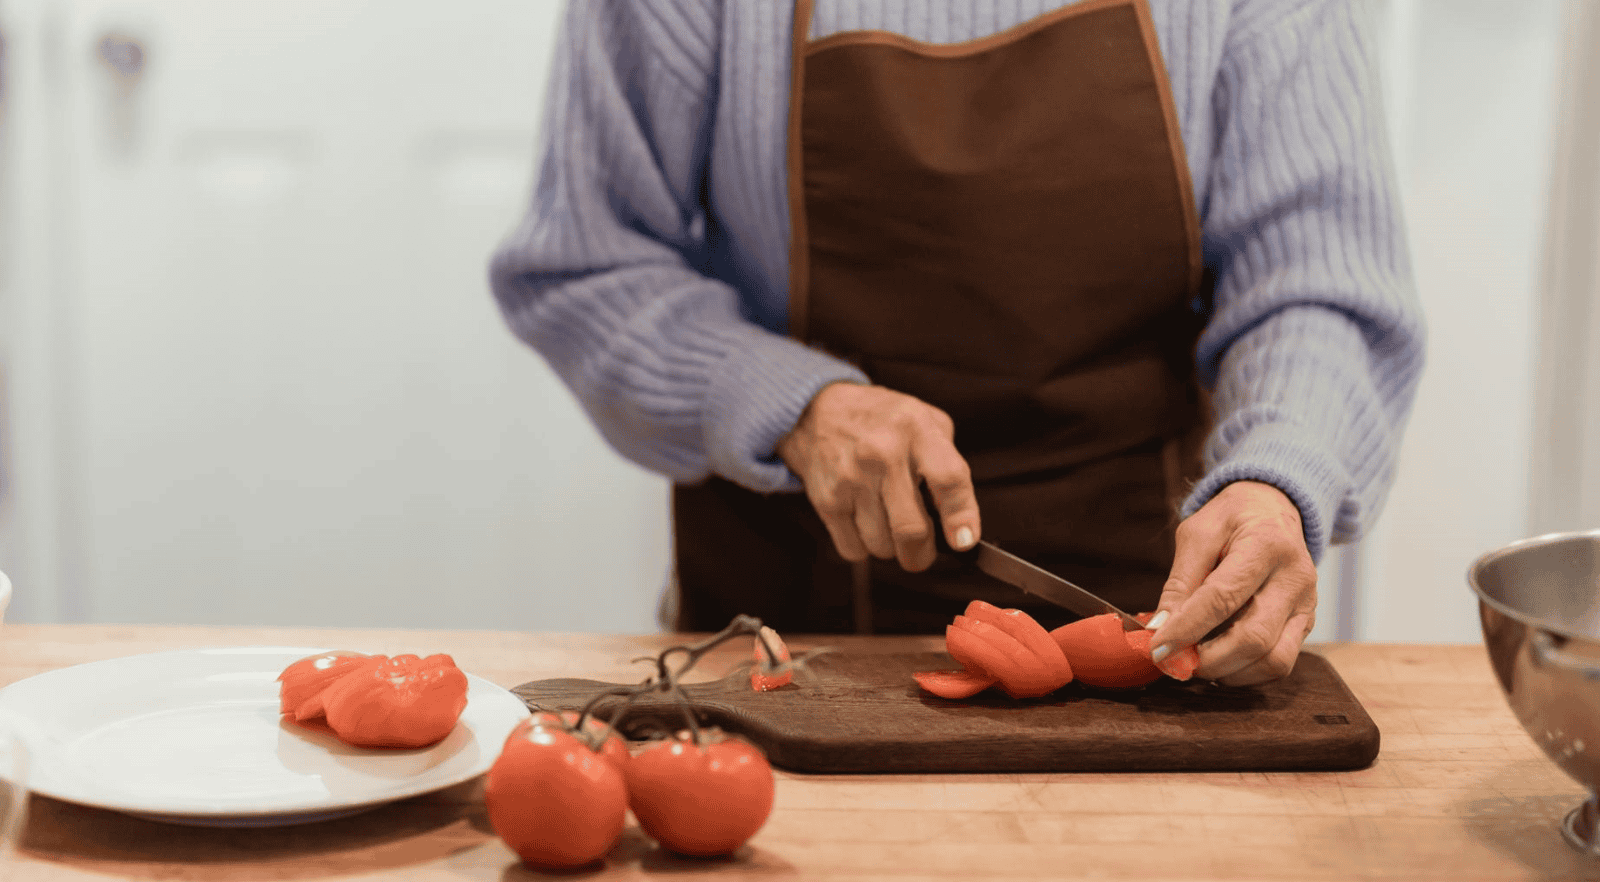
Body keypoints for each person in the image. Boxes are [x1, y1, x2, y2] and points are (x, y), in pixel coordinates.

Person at [489, 0, 1425, 687]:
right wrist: (795, 404)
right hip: (780, 640)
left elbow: (1317, 289)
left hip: (1160, 639)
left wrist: (1277, 476)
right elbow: (585, 266)